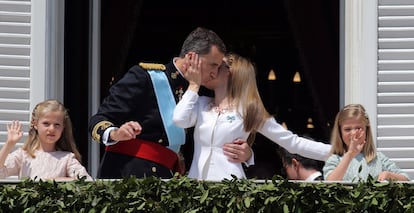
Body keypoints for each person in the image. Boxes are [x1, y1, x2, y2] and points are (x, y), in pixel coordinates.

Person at [89, 27, 253, 179]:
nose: (215, 73)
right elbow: (97, 120)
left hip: (169, 179)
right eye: (213, 65)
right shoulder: (146, 77)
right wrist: (115, 133)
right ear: (190, 57)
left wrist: (246, 154)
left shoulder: (203, 93)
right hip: (129, 176)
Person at [173, 52, 331, 181]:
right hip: (197, 188)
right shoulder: (200, 103)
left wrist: (342, 152)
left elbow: (292, 142)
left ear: (230, 73)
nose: (211, 70)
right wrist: (194, 86)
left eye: (216, 66)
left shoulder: (249, 110)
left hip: (230, 189)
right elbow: (180, 120)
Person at [0, 99, 92, 181]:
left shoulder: (67, 158)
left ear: (63, 127)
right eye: (46, 124)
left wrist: (56, 181)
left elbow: (86, 181)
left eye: (57, 125)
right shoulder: (23, 156)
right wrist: (9, 144)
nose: (52, 129)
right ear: (35, 124)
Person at [323, 104, 410, 182]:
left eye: (358, 128)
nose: (353, 133)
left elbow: (405, 179)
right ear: (340, 132)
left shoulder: (378, 158)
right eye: (347, 129)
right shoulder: (335, 159)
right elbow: (330, 182)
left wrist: (389, 175)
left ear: (366, 130)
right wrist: (350, 154)